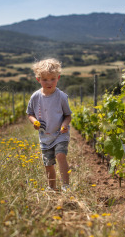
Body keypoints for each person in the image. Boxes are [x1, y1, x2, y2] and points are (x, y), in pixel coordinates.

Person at [26, 58, 72, 192]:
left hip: (60, 134)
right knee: (48, 164)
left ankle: (66, 186)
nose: (49, 82)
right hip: (45, 137)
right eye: (45, 79)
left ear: (58, 78)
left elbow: (68, 115)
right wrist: (34, 122)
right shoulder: (35, 97)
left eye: (52, 79)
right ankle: (51, 187)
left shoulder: (61, 96)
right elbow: (29, 113)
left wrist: (64, 125)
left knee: (60, 155)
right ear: (38, 79)